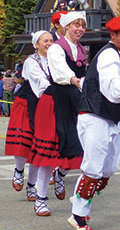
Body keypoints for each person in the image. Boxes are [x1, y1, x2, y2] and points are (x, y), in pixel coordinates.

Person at [67, 17, 120, 230]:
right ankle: (78, 215)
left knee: (108, 168)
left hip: (108, 116)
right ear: (112, 35)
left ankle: (81, 195)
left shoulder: (119, 55)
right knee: (93, 167)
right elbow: (110, 82)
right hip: (95, 115)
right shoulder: (109, 54)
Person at [30, 11, 87, 203]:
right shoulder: (56, 48)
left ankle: (61, 175)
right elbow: (60, 70)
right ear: (67, 26)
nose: (79, 29)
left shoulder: (81, 49)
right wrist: (75, 80)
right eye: (75, 25)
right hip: (55, 100)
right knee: (49, 153)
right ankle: (40, 198)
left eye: (82, 25)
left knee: (75, 146)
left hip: (73, 99)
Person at [5, 32, 52, 214]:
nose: (49, 43)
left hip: (45, 102)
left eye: (51, 40)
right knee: (23, 142)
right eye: (45, 41)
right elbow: (38, 81)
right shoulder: (31, 62)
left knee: (38, 147)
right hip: (27, 102)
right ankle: (18, 170)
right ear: (36, 44)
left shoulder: (56, 59)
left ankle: (31, 185)